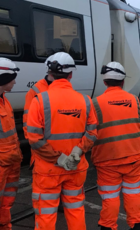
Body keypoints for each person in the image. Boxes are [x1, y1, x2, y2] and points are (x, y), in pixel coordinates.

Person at [26, 52, 97, 230]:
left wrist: (58, 159)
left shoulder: (39, 100)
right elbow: (92, 133)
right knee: (75, 209)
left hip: (47, 170)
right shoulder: (85, 101)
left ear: (50, 73)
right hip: (75, 167)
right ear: (71, 74)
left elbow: (34, 138)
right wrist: (77, 152)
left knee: (46, 214)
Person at [91, 62, 140, 230]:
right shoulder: (134, 100)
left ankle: (107, 226)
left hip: (108, 158)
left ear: (105, 82)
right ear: (122, 81)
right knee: (133, 191)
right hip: (133, 155)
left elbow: (91, 130)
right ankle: (136, 225)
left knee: (110, 195)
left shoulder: (96, 103)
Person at [0, 57, 22, 230]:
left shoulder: (2, 99)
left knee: (5, 204)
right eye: (13, 78)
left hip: (9, 163)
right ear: (4, 78)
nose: (14, 82)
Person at [23, 55, 55, 167]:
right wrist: (36, 142)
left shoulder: (65, 89)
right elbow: (28, 121)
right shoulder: (36, 90)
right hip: (43, 147)